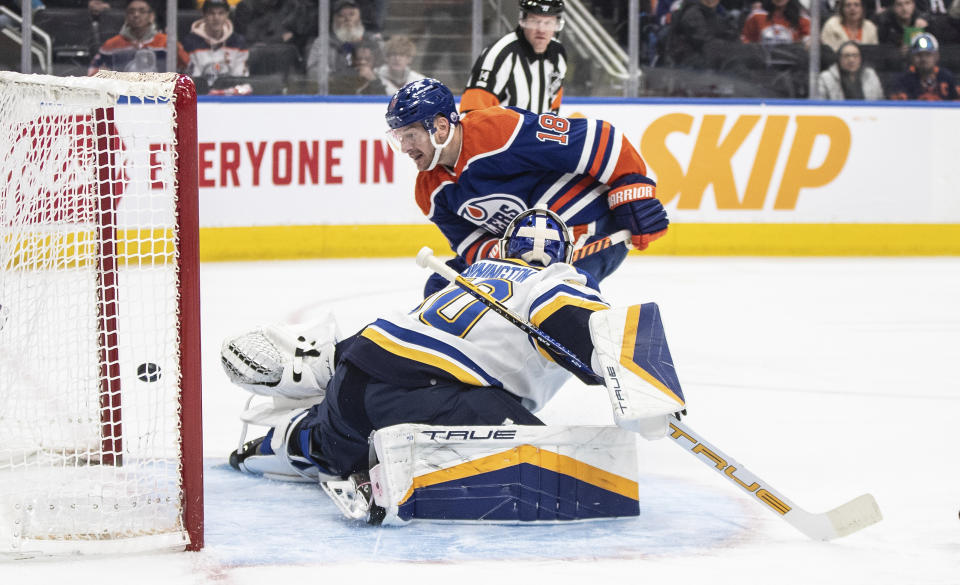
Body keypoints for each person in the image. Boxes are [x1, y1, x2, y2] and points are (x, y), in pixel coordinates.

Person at [223, 208, 684, 523]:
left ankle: (291, 437)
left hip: (358, 371)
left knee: (339, 432)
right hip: (418, 397)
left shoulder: (472, 274)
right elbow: (573, 321)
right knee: (560, 463)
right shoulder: (556, 279)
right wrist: (645, 388)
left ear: (505, 248)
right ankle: (397, 471)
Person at [386, 78, 669, 297]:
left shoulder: (497, 131)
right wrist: (509, 260)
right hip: (529, 252)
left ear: (441, 126)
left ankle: (583, 343)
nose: (405, 148)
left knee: (560, 293)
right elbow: (471, 243)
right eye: (399, 137)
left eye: (410, 135)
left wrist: (632, 193)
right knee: (442, 289)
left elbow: (600, 140)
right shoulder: (429, 192)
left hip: (591, 229)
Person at [460, 0, 567, 114]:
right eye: (534, 21)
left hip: (538, 132)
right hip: (503, 132)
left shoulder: (558, 53)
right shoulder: (499, 55)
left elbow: (554, 102)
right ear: (523, 20)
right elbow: (472, 114)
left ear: (557, 24)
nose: (541, 29)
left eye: (548, 22)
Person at [87, 0, 188, 75]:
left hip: (161, 99)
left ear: (151, 16)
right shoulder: (111, 45)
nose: (136, 15)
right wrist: (103, 76)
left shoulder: (167, 42)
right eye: (131, 11)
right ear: (126, 16)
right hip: (123, 99)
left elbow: (188, 69)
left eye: (142, 11)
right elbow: (92, 72)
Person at [305, 0, 383, 81]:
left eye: (352, 14)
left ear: (359, 17)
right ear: (334, 20)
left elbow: (384, 70)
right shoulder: (323, 42)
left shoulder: (372, 41)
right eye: (341, 15)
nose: (347, 19)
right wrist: (352, 75)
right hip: (335, 91)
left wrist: (372, 77)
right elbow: (314, 74)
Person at [183, 0, 249, 85]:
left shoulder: (238, 42)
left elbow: (240, 80)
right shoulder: (190, 43)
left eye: (221, 13)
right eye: (211, 13)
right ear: (204, 15)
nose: (216, 18)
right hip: (202, 96)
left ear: (227, 15)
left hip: (229, 95)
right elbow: (192, 81)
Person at [663, 0, 741, 69]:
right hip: (686, 67)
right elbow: (704, 41)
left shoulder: (713, 14)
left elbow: (728, 33)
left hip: (703, 64)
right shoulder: (692, 13)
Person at [889, 31, 960, 98]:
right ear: (911, 57)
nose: (923, 59)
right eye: (919, 55)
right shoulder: (903, 80)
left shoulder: (947, 77)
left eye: (928, 54)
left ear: (937, 56)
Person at [817, 40, 886, 98]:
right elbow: (820, 106)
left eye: (855, 56)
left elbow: (880, 101)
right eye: (847, 56)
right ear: (839, 59)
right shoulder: (826, 78)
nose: (851, 60)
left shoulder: (870, 75)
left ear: (860, 59)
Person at [741, 0, 811, 45]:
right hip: (762, 64)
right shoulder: (757, 16)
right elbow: (745, 40)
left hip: (792, 65)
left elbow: (810, 42)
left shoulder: (803, 19)